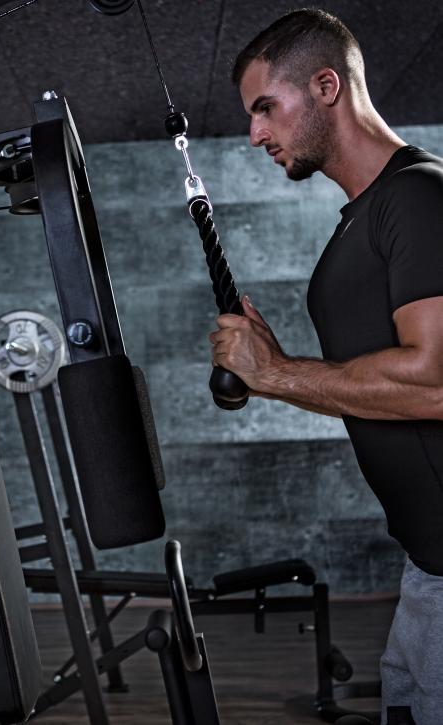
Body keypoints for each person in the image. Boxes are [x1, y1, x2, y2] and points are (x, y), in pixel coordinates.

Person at [214, 9, 443, 724]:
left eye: (264, 108)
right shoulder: (366, 214)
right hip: (427, 561)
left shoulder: (418, 195)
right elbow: (375, 387)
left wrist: (278, 373)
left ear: (325, 86)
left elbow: (436, 383)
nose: (255, 134)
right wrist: (271, 367)